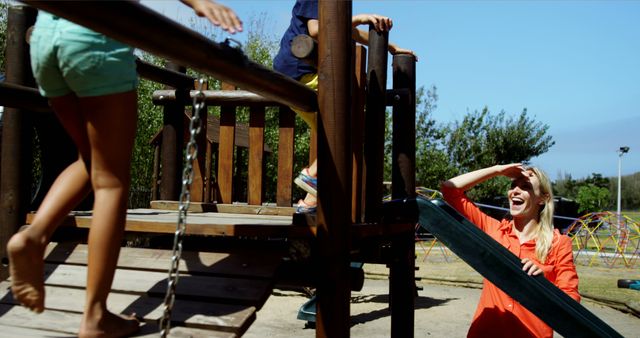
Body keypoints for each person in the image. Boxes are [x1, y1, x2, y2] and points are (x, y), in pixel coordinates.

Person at [7, 1, 242, 337]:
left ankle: (34, 234)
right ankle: (95, 316)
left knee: (90, 161)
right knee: (111, 182)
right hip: (95, 35)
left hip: (46, 37)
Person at [273, 0, 417, 213]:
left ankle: (308, 203)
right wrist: (359, 18)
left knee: (340, 134)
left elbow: (351, 33)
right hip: (301, 69)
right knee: (347, 126)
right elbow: (316, 30)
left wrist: (390, 47)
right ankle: (311, 175)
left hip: (298, 73)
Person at [440, 163, 580, 338]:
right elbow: (449, 189)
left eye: (525, 187)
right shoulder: (493, 230)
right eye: (513, 185)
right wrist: (497, 170)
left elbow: (571, 302)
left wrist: (543, 283)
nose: (515, 191)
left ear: (542, 198)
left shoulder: (559, 243)